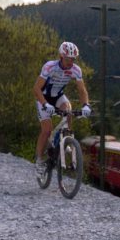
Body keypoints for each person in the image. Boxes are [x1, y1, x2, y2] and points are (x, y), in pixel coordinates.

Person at [33, 41, 91, 175]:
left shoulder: (76, 70)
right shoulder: (49, 67)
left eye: (73, 59)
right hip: (43, 98)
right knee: (46, 130)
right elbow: (36, 88)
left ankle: (67, 140)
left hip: (58, 96)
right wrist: (45, 104)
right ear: (61, 57)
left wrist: (86, 105)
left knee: (68, 111)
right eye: (67, 59)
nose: (70, 62)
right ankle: (39, 160)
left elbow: (82, 90)